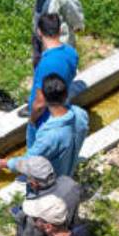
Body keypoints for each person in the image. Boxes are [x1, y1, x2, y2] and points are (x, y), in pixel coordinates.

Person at [0, 74, 88, 178]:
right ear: (66, 94)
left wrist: (4, 163)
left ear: (44, 98)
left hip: (55, 179)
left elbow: (30, 162)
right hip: (69, 165)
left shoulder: (49, 136)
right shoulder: (81, 114)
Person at [8, 156, 81, 236]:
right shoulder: (69, 183)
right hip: (69, 228)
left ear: (34, 183)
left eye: (27, 176)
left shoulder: (38, 215)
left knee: (23, 220)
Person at [26, 13, 79, 142]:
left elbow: (40, 103)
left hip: (44, 119)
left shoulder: (45, 63)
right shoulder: (71, 52)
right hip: (62, 108)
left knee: (36, 158)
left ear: (39, 32)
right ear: (60, 30)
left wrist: (32, 120)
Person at [27, 0, 84, 68]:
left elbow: (75, 16)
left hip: (56, 41)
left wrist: (77, 27)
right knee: (40, 67)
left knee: (56, 69)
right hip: (40, 36)